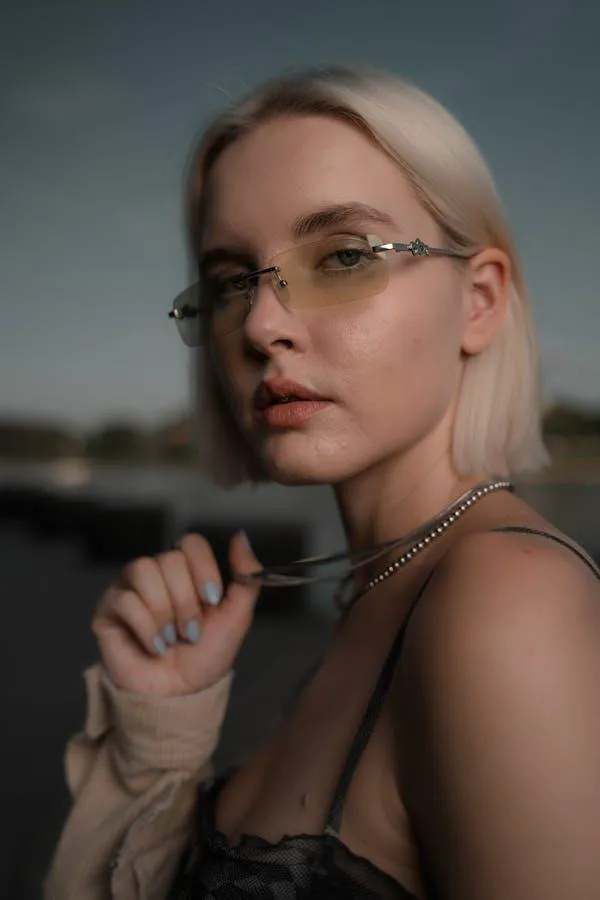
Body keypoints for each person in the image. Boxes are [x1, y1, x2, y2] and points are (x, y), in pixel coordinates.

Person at [45, 66, 600, 900]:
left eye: (342, 256)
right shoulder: (378, 585)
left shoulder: (505, 602)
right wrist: (161, 738)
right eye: (234, 279)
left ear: (478, 302)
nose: (263, 326)